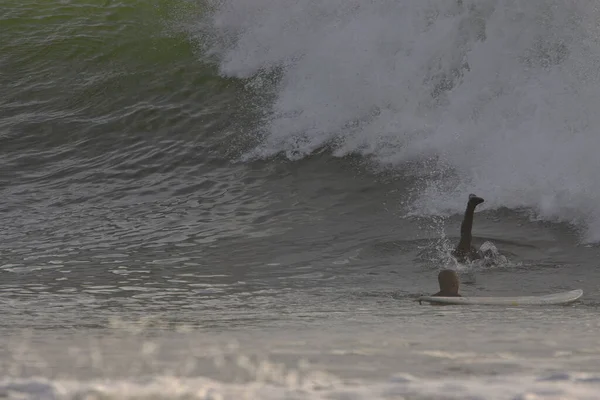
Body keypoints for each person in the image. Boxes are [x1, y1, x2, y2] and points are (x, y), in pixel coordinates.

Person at [451, 194, 485, 262]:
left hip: (465, 256)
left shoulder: (461, 255)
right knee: (465, 236)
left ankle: (471, 205)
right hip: (469, 256)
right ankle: (471, 205)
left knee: (465, 236)